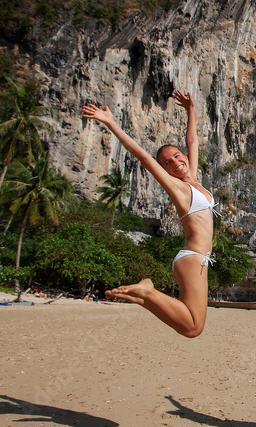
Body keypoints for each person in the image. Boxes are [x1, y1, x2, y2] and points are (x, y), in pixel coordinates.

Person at [82, 90, 215, 338]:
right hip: (192, 258)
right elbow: (142, 155)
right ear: (166, 170)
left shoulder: (194, 179)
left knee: (191, 326)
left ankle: (145, 297)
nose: (175, 163)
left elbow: (193, 142)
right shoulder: (178, 188)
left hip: (198, 259)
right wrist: (111, 123)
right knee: (193, 328)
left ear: (184, 158)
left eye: (176, 157)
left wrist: (191, 110)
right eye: (167, 163)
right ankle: (147, 291)